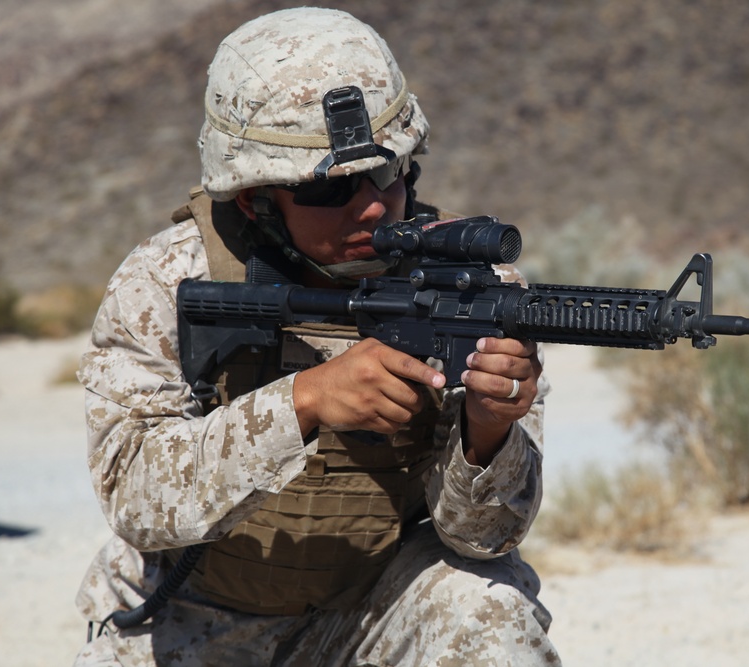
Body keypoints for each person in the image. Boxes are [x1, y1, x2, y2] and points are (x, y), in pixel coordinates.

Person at [73, 7, 560, 666]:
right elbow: (134, 494)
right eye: (330, 188)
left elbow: (484, 538)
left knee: (489, 615)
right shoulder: (166, 280)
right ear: (255, 199)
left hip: (368, 610)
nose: (370, 206)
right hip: (188, 616)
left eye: (388, 173)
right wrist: (301, 403)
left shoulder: (472, 288)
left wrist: (490, 432)